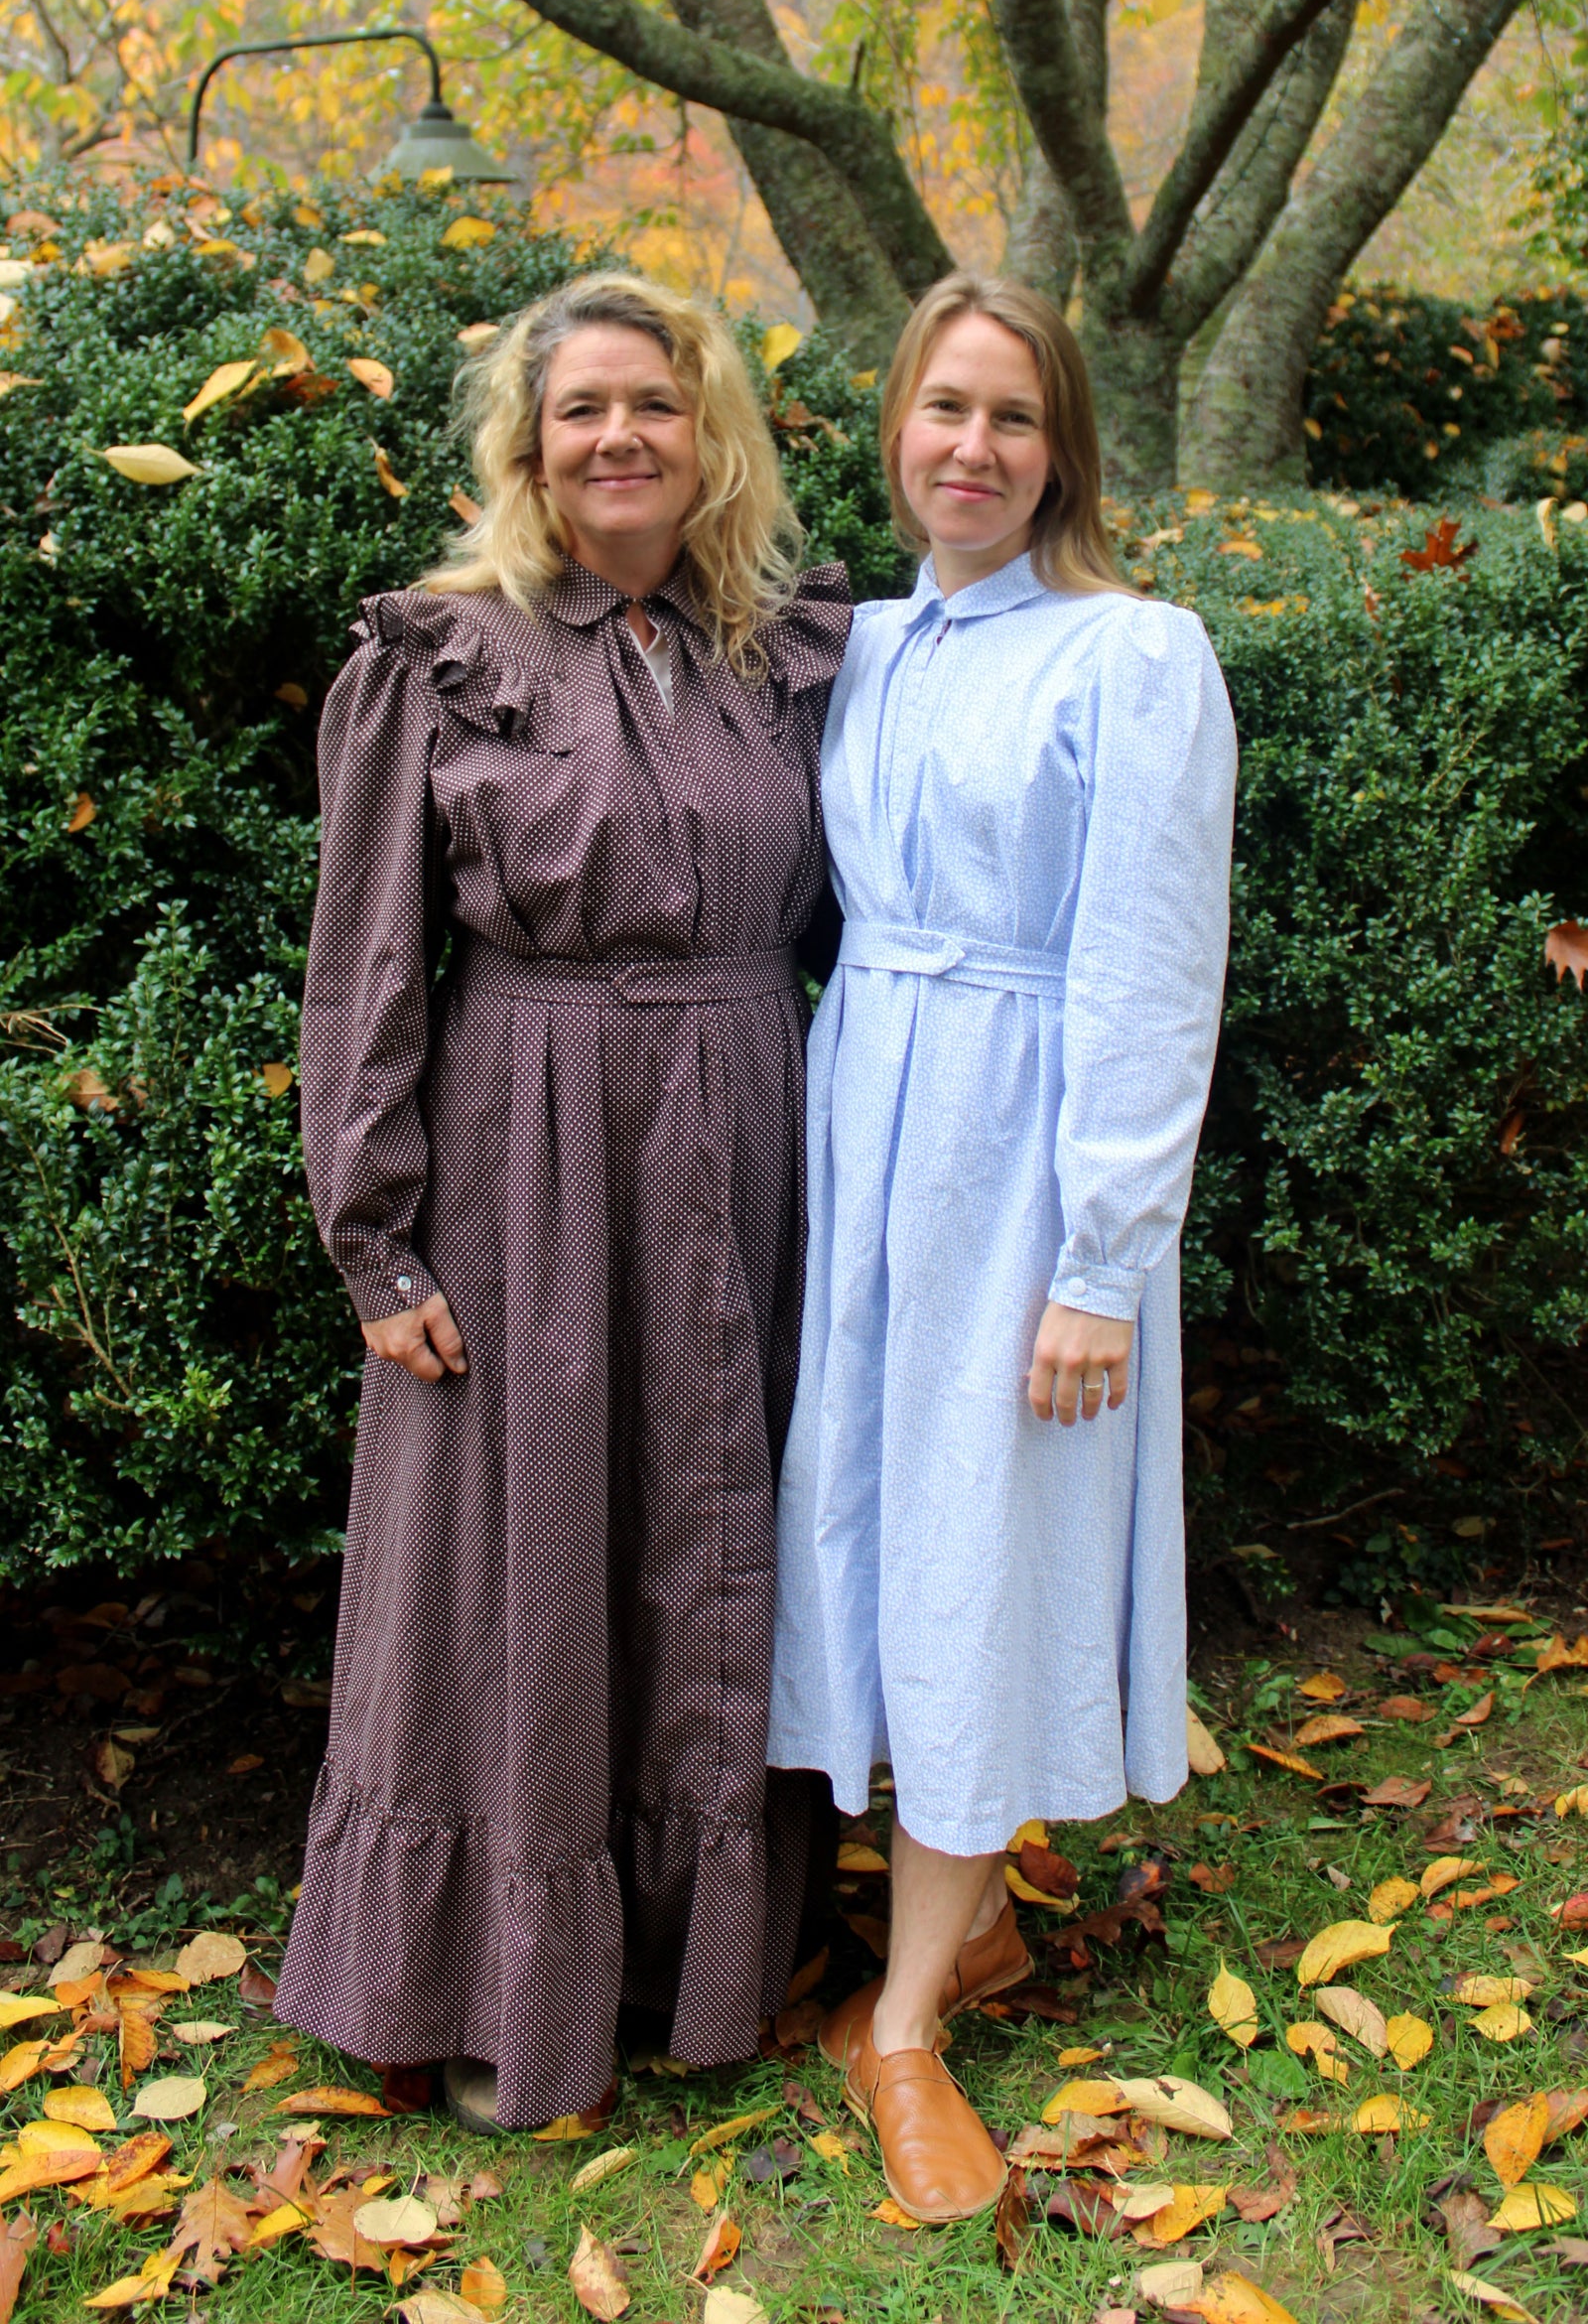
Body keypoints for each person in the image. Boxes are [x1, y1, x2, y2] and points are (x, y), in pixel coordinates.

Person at [272, 271, 851, 2133]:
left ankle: (707, 1968)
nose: (620, 438)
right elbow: (365, 963)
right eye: (582, 408)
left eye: (655, 407)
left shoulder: (794, 649)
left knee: (712, 1536)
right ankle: (472, 1980)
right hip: (529, 1142)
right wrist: (374, 1238)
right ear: (529, 444)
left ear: (713, 436)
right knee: (510, 1560)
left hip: (755, 1133)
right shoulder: (443, 651)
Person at [768, 271, 1237, 2223]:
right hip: (860, 1120)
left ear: (1064, 456)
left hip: (1021, 1159)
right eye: (940, 409)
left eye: (1011, 420)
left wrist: (1095, 1263)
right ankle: (958, 1926)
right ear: (891, 426)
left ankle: (898, 2026)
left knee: (978, 1549)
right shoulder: (854, 645)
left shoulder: (1131, 658)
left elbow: (1147, 971)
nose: (969, 448)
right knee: (871, 1530)